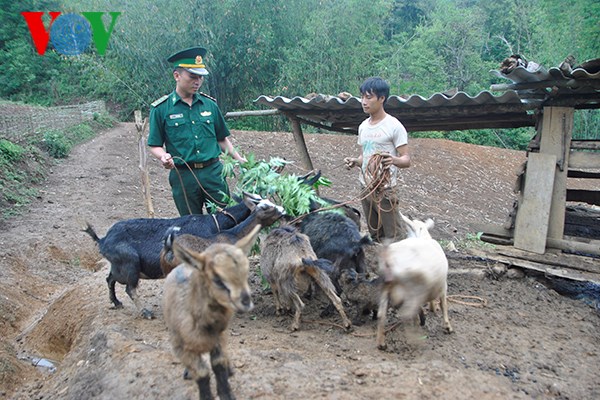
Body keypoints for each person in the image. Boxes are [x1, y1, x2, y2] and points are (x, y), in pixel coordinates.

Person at [148, 47, 247, 216]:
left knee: (225, 221)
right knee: (191, 226)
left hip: (213, 174)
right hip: (183, 177)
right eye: (192, 76)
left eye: (200, 77)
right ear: (177, 76)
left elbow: (221, 139)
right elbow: (155, 144)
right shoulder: (161, 109)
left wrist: (239, 159)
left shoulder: (210, 105)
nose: (198, 81)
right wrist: (163, 156)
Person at [344, 77, 410, 242]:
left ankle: (400, 265)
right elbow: (365, 156)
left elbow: (406, 160)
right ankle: (380, 265)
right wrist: (355, 161)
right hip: (365, 187)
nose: (364, 102)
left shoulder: (394, 126)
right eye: (362, 97)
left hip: (385, 189)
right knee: (375, 234)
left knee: (394, 236)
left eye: (369, 97)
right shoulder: (363, 126)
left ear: (382, 99)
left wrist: (393, 160)